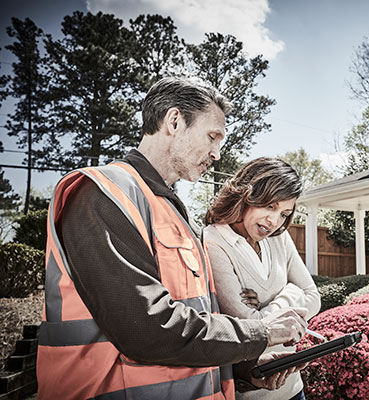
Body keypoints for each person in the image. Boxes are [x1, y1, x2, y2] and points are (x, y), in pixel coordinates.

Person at [36, 77, 308, 400]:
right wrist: (262, 333)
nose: (217, 154)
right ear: (174, 121)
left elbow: (197, 325)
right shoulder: (103, 195)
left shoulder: (176, 216)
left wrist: (247, 368)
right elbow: (147, 329)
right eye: (212, 137)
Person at [204, 157, 321, 400]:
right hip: (253, 391)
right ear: (247, 195)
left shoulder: (278, 237)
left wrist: (281, 302)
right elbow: (248, 325)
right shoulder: (214, 241)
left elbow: (313, 297)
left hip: (293, 388)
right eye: (270, 207)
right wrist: (293, 294)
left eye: (284, 213)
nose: (274, 221)